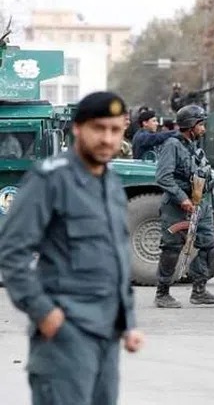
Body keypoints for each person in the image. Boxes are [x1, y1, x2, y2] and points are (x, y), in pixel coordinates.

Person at [0, 91, 144, 405]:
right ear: (77, 128)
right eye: (98, 128)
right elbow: (11, 253)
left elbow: (117, 256)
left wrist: (127, 321)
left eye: (115, 130)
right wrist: (44, 313)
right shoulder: (49, 179)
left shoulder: (111, 184)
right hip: (65, 336)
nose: (107, 139)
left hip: (107, 335)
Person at [154, 105, 214, 308]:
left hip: (200, 205)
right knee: (172, 248)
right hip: (177, 207)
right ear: (191, 125)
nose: (204, 129)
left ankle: (199, 290)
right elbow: (163, 177)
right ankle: (162, 293)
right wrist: (182, 198)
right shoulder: (172, 145)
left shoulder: (195, 147)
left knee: (210, 244)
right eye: (201, 125)